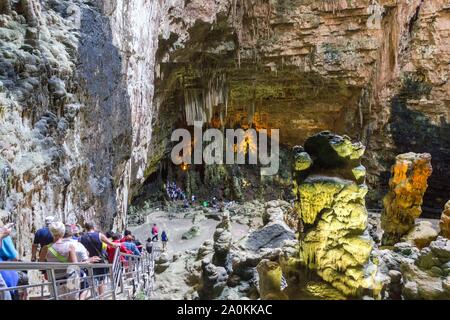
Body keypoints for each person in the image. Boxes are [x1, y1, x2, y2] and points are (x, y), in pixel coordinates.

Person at [39, 221, 78, 300]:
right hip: (70, 278)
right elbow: (75, 265)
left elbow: (41, 266)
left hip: (55, 280)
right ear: (63, 233)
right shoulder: (70, 247)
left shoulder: (46, 248)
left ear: (52, 233)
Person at [79, 222, 119, 298]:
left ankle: (94, 295)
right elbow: (112, 245)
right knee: (101, 280)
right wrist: (118, 245)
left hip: (89, 261)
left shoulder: (81, 238)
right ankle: (101, 297)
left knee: (91, 279)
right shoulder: (99, 235)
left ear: (85, 228)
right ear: (93, 226)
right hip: (100, 260)